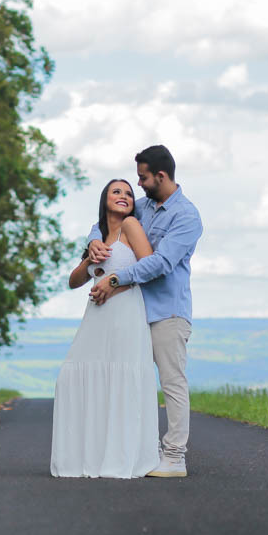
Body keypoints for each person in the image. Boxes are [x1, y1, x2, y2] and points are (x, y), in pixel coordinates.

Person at [86, 144, 203, 478]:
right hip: (133, 312)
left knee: (172, 383)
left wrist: (115, 278)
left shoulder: (187, 217)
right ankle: (140, 451)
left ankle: (175, 456)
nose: (137, 185)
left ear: (160, 176)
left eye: (143, 178)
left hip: (167, 312)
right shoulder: (144, 206)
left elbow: (162, 263)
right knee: (132, 383)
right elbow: (109, 219)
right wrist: (94, 239)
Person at [50, 178, 160, 478]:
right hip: (96, 316)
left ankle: (121, 457)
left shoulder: (132, 227)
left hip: (125, 311)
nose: (124, 196)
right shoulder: (97, 236)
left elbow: (148, 268)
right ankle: (89, 457)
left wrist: (114, 284)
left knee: (121, 379)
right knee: (71, 377)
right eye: (116, 191)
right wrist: (89, 257)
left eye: (128, 193)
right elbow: (73, 281)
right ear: (105, 199)